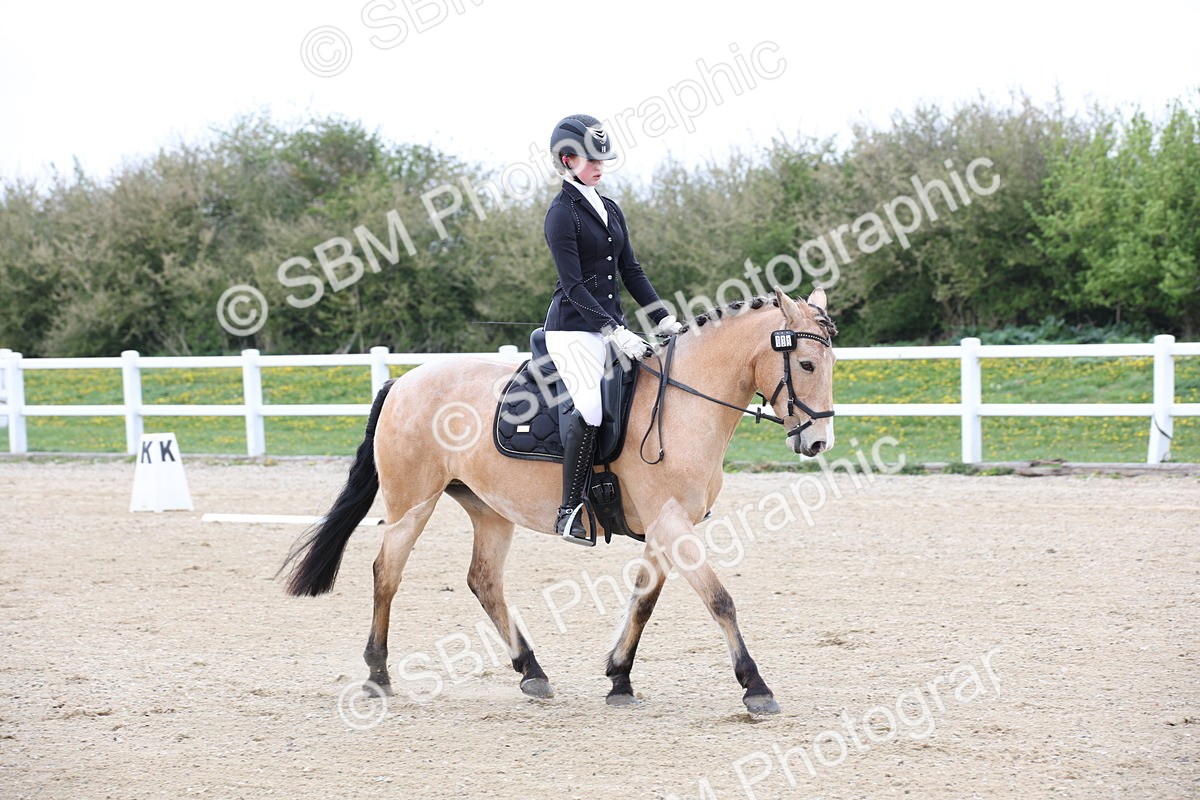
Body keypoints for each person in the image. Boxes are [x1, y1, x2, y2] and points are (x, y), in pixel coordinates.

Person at [543, 114, 683, 545]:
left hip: (611, 329)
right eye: (591, 159)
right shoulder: (561, 214)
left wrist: (663, 318)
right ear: (567, 160)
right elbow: (574, 285)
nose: (600, 166)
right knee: (589, 409)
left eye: (604, 158)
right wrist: (611, 330)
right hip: (573, 331)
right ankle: (568, 511)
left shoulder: (610, 208)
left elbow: (631, 271)